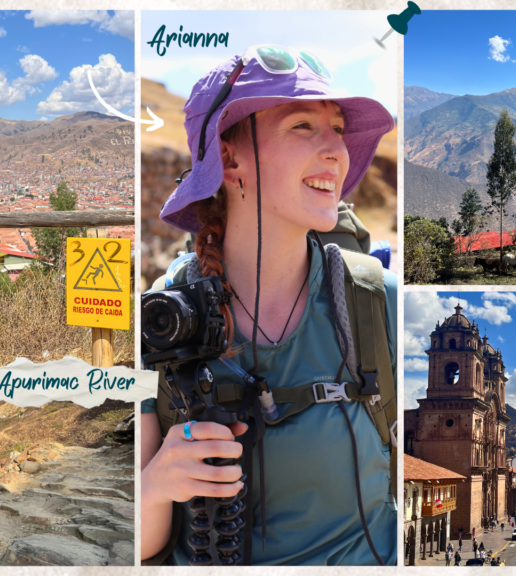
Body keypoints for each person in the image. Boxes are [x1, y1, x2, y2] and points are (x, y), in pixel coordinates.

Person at [140, 45, 395, 566]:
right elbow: (141, 547)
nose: (337, 150)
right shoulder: (162, 320)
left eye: (338, 129)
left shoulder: (375, 300)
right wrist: (155, 485)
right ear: (231, 159)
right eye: (303, 126)